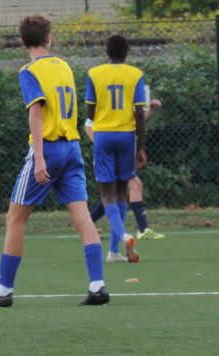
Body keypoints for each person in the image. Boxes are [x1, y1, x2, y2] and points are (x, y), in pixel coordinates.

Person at [0, 15, 109, 307]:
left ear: (22, 41)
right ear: (49, 38)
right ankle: (97, 286)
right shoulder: (64, 66)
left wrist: (39, 157)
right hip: (71, 147)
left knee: (15, 218)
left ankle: (3, 290)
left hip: (48, 148)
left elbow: (36, 112)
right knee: (82, 217)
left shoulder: (29, 71)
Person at [85, 34, 145, 264]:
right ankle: (114, 252)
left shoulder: (94, 73)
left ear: (107, 52)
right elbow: (139, 113)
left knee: (106, 194)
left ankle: (122, 238)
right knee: (121, 192)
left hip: (103, 135)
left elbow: (90, 113)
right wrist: (141, 146)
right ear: (127, 52)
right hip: (127, 136)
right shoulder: (135, 74)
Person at [85, 96, 165, 263]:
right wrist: (101, 144)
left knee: (113, 195)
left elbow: (137, 120)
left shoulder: (124, 98)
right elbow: (88, 124)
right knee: (116, 193)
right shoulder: (106, 98)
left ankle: (110, 245)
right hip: (110, 152)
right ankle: (126, 235)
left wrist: (150, 111)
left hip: (123, 151)